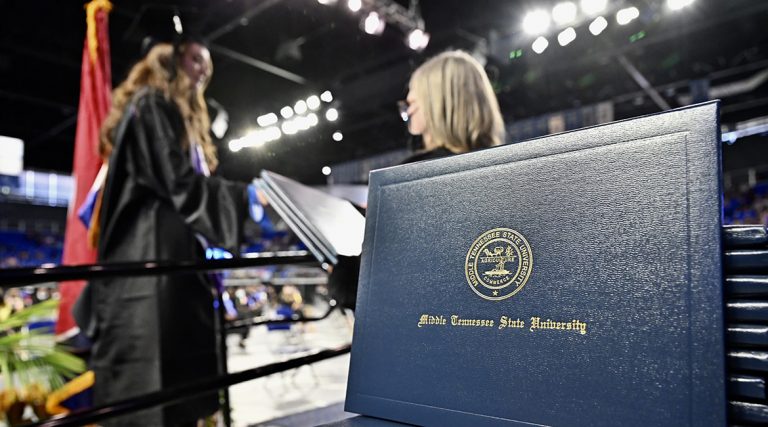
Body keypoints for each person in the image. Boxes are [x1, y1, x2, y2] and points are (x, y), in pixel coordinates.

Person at [74, 40, 261, 426]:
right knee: (152, 398)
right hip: (149, 271)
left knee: (179, 395)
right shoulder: (150, 104)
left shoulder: (168, 112)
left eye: (207, 64)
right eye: (195, 59)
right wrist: (247, 199)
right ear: (169, 59)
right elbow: (178, 183)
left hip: (171, 267)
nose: (203, 70)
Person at [401, 50, 505, 163]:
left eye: (411, 103)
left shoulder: (413, 168)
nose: (409, 111)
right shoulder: (502, 162)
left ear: (437, 105)